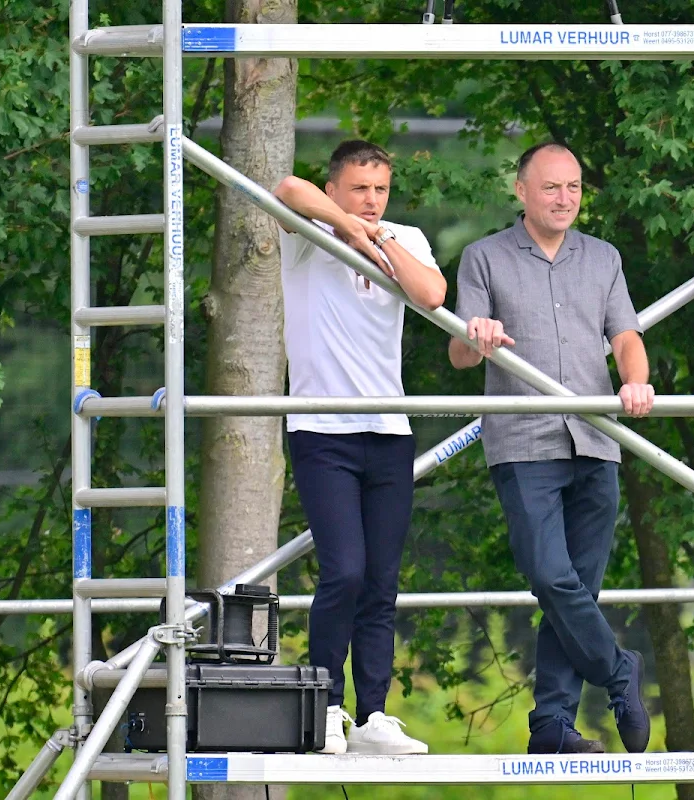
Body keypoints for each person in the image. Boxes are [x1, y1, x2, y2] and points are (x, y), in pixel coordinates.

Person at [448, 142, 654, 755]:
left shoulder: (604, 257)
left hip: (596, 437)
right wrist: (474, 336)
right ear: (521, 191)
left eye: (574, 187)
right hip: (523, 440)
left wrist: (635, 379)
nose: (565, 199)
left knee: (578, 591)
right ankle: (619, 672)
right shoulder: (483, 258)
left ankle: (552, 727)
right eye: (551, 188)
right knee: (550, 576)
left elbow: (626, 336)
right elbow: (459, 354)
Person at [274, 139, 446, 755]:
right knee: (342, 572)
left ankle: (374, 714)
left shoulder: (405, 236)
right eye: (359, 189)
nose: (371, 201)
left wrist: (379, 239)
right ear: (338, 188)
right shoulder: (309, 230)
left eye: (379, 190)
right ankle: (326, 708)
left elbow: (431, 295)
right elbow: (287, 188)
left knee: (380, 580)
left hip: (388, 433)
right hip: (322, 432)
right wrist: (344, 227)